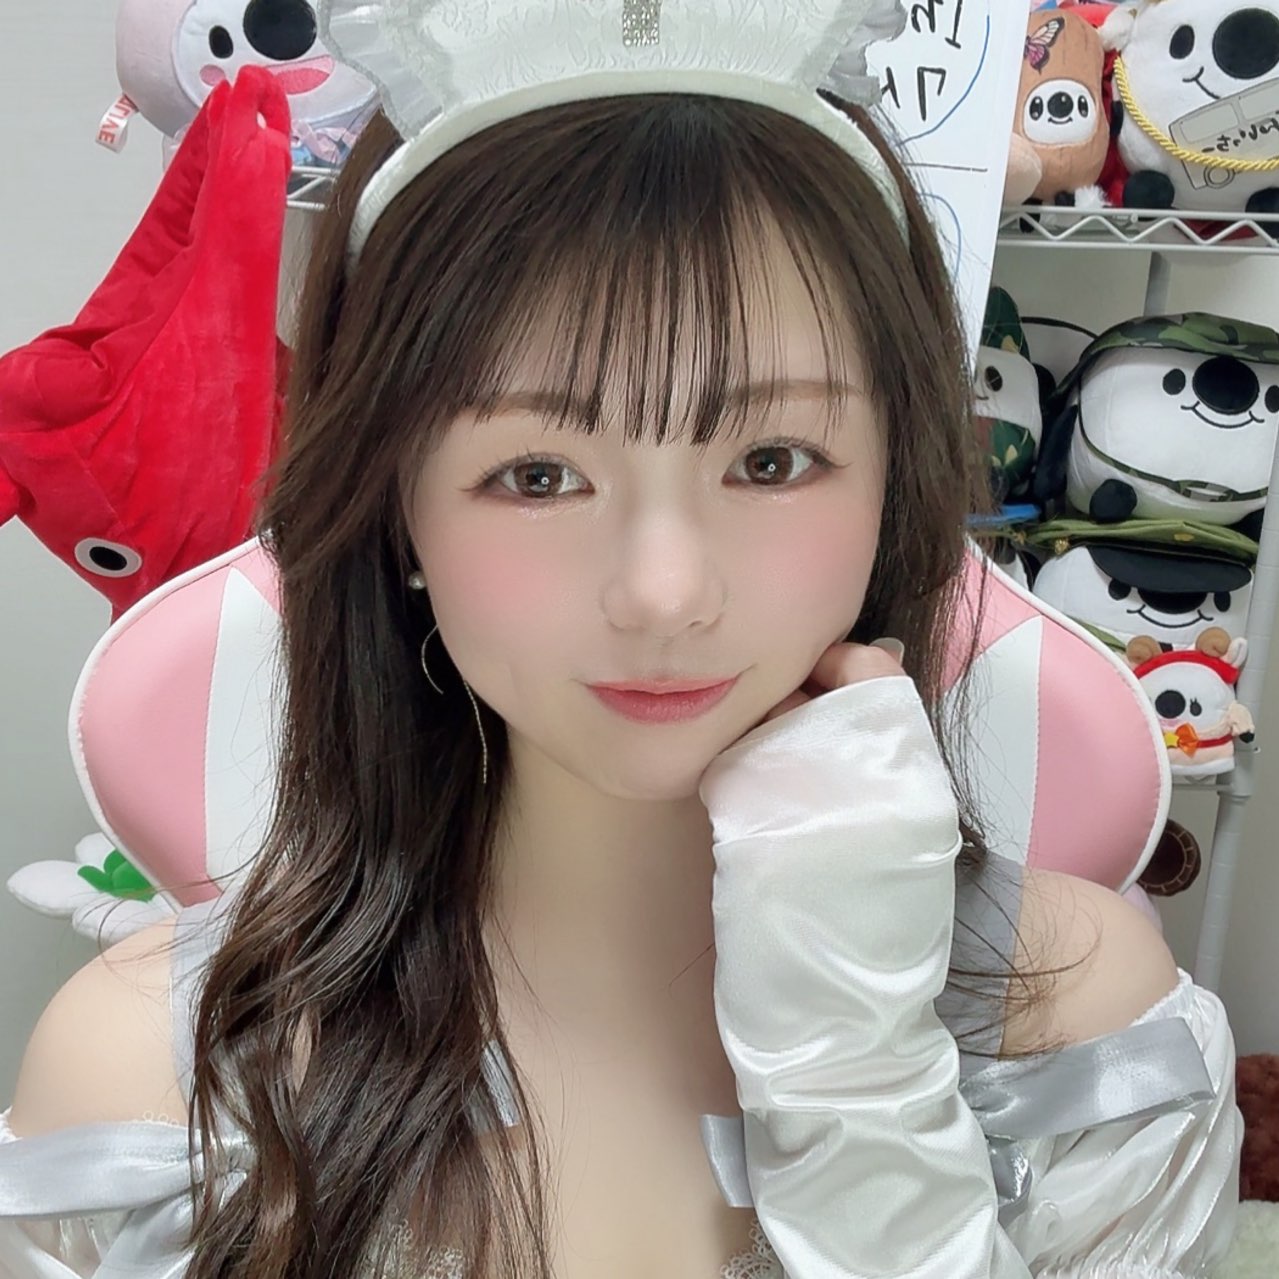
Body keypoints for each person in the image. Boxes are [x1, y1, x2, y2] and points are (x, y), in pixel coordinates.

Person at [0, 1, 1241, 1276]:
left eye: (771, 459)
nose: (663, 592)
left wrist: (860, 1076)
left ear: (894, 480)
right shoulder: (153, 1088)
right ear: (396, 508)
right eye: (537, 474)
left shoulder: (1081, 1030)